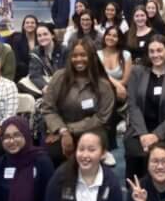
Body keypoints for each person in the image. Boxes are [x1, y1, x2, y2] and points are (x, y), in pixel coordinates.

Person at [41, 39, 115, 169]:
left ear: (91, 57)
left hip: (93, 129)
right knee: (53, 153)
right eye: (74, 56)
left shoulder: (103, 85)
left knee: (89, 151)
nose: (78, 59)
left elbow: (102, 118)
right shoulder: (59, 77)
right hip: (60, 128)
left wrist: (69, 130)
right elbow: (48, 108)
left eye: (83, 55)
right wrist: (62, 130)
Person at [125, 36, 165, 181]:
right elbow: (132, 105)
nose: (155, 55)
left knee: (155, 156)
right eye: (151, 51)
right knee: (135, 154)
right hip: (138, 129)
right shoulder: (137, 72)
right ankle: (134, 191)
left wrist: (156, 135)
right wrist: (143, 134)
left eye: (159, 50)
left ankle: (158, 190)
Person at [98, 25, 132, 106]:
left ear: (119, 39)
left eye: (114, 36)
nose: (110, 38)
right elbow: (98, 78)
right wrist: (116, 85)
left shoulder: (126, 55)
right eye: (108, 34)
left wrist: (117, 87)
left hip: (120, 93)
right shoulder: (97, 55)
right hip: (102, 91)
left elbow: (125, 81)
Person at [27, 23, 66, 93]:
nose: (42, 38)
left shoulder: (64, 50)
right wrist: (44, 86)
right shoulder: (35, 52)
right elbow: (34, 74)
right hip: (45, 85)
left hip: (63, 85)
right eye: (39, 36)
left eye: (45, 34)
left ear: (52, 35)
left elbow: (67, 72)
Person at [8, 15, 39, 82]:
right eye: (27, 23)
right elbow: (17, 60)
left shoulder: (40, 39)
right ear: (23, 26)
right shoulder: (16, 40)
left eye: (32, 23)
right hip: (22, 74)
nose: (30, 25)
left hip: (39, 72)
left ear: (36, 25)